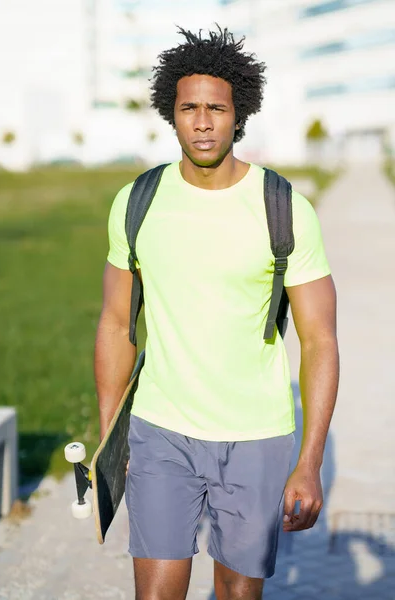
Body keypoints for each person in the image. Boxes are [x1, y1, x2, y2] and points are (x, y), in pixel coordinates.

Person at [94, 25, 339, 600]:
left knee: (236, 592)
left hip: (256, 436)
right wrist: (112, 438)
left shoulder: (286, 209)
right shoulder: (137, 202)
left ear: (238, 116)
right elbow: (113, 322)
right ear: (171, 114)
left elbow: (320, 340)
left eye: (216, 109)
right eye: (188, 108)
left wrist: (310, 461)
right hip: (161, 430)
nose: (202, 122)